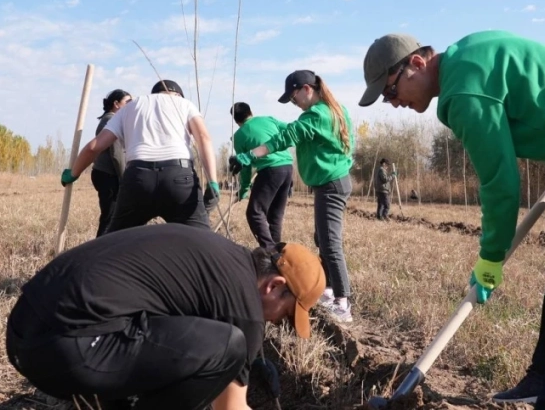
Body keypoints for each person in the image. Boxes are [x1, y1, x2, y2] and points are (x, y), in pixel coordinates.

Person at [359, 31, 545, 409]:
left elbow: (500, 182)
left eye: (389, 92)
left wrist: (491, 255)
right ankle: (542, 379)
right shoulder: (465, 59)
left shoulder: (463, 91)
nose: (392, 103)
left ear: (416, 64)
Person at [5, 223, 326, 410]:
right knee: (228, 346)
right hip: (64, 348)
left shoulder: (222, 257)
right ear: (274, 286)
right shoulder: (244, 307)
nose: (273, 325)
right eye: (284, 316)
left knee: (179, 346)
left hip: (25, 330)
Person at [229, 70, 356, 323]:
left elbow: (287, 136)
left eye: (293, 96)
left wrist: (251, 155)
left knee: (330, 243)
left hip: (331, 184)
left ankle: (343, 301)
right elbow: (298, 131)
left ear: (306, 89)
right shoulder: (333, 110)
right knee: (322, 238)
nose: (293, 102)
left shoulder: (317, 114)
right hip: (331, 182)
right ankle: (330, 290)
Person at [61, 79, 219, 232]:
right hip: (178, 178)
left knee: (115, 243)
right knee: (201, 242)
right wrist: (213, 182)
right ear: (178, 94)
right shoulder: (185, 104)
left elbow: (94, 147)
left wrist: (73, 173)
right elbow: (204, 138)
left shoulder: (131, 107)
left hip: (137, 179)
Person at [230, 102, 295, 250]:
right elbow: (290, 130)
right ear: (251, 111)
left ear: (236, 120)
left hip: (270, 171)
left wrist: (244, 189)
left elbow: (244, 166)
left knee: (254, 212)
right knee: (275, 216)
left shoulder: (238, 136)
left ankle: (269, 250)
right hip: (288, 168)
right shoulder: (268, 119)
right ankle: (277, 253)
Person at [91, 89, 131, 237]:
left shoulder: (108, 119)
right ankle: (98, 251)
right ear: (116, 104)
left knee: (111, 215)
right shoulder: (112, 120)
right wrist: (124, 179)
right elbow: (117, 154)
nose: (130, 106)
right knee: (109, 217)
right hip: (109, 175)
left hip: (104, 174)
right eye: (127, 102)